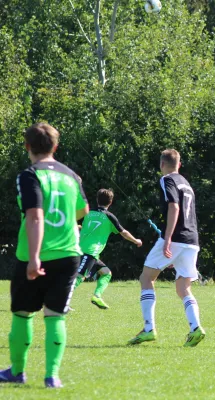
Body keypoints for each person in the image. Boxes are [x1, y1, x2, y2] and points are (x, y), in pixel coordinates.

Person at [0, 123, 89, 388]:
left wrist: (35, 257)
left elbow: (35, 216)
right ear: (55, 146)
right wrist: (63, 226)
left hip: (34, 254)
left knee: (22, 312)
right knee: (55, 314)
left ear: (28, 146)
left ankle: (17, 371)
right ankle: (52, 377)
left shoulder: (29, 175)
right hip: (68, 253)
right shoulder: (71, 175)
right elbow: (83, 208)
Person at [128, 149, 205, 347]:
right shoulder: (186, 183)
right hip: (192, 240)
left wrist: (168, 238)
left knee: (146, 277)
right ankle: (195, 328)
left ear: (162, 164)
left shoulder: (167, 180)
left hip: (176, 238)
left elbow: (174, 207)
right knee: (183, 287)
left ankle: (148, 328)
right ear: (179, 164)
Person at [75, 188, 143, 309]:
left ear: (97, 200)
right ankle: (58, 300)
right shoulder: (109, 217)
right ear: (110, 202)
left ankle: (97, 296)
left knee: (106, 273)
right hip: (89, 252)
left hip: (85, 250)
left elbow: (81, 226)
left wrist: (79, 228)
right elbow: (124, 232)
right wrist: (136, 241)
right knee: (79, 277)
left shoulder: (88, 213)